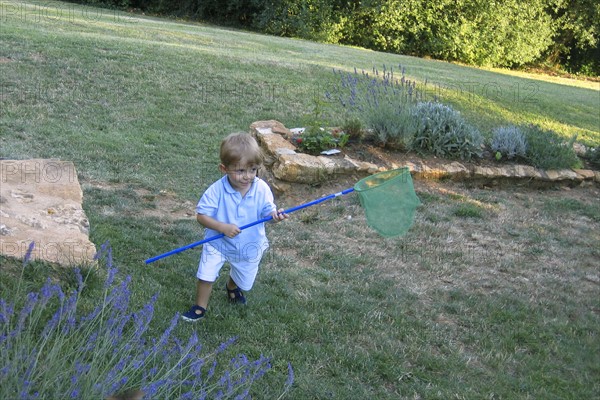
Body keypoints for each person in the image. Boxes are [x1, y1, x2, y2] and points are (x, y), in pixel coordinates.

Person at [182, 132, 288, 322]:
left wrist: (274, 217)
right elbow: (201, 216)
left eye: (253, 169)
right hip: (217, 242)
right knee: (206, 275)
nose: (247, 176)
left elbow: (267, 215)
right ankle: (200, 306)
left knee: (243, 280)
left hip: (249, 244)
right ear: (224, 168)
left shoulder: (261, 188)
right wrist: (222, 227)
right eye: (240, 171)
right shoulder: (216, 190)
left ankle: (232, 286)